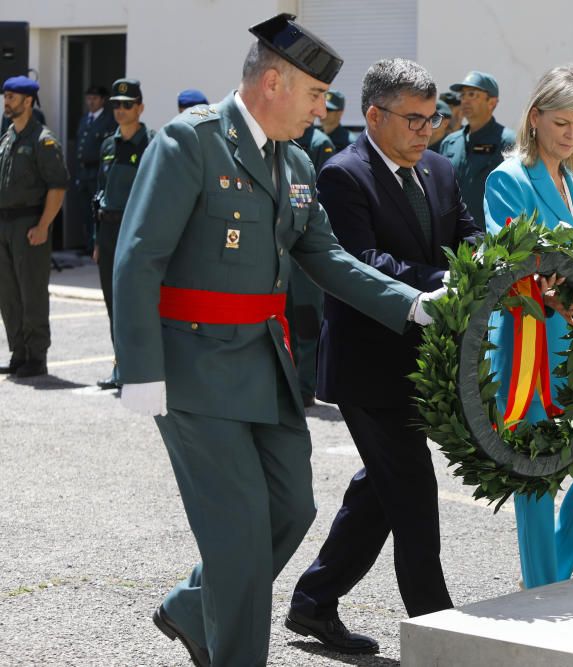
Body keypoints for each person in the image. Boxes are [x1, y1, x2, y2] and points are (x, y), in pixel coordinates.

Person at [112, 15, 442, 666]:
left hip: (263, 361)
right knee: (238, 531)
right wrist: (140, 370)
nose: (325, 111)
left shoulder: (294, 161)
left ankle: (187, 607)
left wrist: (413, 306)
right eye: (317, 97)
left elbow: (326, 256)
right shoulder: (192, 143)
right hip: (192, 362)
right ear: (273, 83)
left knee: (291, 508)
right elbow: (138, 259)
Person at [287, 57, 480, 655]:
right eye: (415, 120)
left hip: (423, 362)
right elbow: (363, 263)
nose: (427, 131)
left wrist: (484, 267)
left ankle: (313, 602)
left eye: (433, 120)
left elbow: (468, 233)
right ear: (374, 115)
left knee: (382, 489)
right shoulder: (343, 175)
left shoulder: (442, 171)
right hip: (368, 367)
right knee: (413, 490)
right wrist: (445, 281)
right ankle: (438, 629)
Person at [483, 65, 573, 589]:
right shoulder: (509, 178)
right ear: (535, 117)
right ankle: (541, 586)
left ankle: (547, 580)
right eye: (562, 122)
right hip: (529, 344)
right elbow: (506, 260)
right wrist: (553, 294)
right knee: (537, 476)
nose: (572, 135)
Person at [0, 76, 69, 378]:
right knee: (8, 293)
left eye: (12, 97)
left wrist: (43, 225)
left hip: (29, 223)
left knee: (32, 292)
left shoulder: (44, 140)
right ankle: (18, 352)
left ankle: (36, 356)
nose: (6, 102)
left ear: (28, 102)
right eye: (5, 96)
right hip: (4, 223)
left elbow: (57, 187)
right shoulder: (7, 138)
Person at [93, 78, 154, 390]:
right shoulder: (107, 144)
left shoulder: (152, 144)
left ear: (140, 108)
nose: (120, 110)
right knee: (112, 302)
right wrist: (96, 240)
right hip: (109, 229)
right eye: (115, 104)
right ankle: (121, 365)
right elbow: (99, 193)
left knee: (139, 302)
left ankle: (142, 368)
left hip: (137, 232)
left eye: (127, 104)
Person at [286, 121, 336, 406]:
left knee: (307, 320)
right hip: (284, 247)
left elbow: (317, 191)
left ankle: (305, 386)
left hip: (305, 242)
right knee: (286, 319)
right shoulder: (280, 136)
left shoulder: (318, 143)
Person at [438, 70, 515, 228]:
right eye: (463, 95)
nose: (465, 100)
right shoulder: (450, 142)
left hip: (492, 238)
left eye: (472, 94)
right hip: (456, 239)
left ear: (491, 102)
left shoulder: (508, 142)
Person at [74, 84, 116, 254]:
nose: (90, 102)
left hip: (97, 171)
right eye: (88, 98)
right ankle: (87, 245)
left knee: (96, 211)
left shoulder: (108, 120)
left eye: (94, 98)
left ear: (102, 100)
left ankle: (96, 245)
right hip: (83, 172)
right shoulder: (85, 119)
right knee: (85, 211)